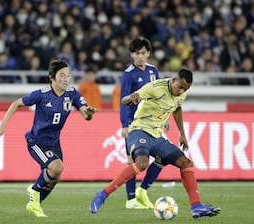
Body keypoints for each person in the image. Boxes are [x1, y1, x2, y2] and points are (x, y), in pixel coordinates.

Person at [90, 68, 221, 219]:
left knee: (186, 163)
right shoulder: (154, 88)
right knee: (142, 163)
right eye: (180, 87)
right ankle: (103, 194)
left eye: (186, 89)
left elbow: (177, 109)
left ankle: (196, 207)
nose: (181, 92)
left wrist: (182, 133)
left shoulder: (181, 94)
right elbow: (124, 101)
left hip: (157, 136)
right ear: (173, 80)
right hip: (139, 130)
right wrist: (132, 98)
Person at [0, 60, 97, 217]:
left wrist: (89, 113)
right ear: (52, 77)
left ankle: (34, 204)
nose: (65, 79)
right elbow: (16, 104)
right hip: (36, 141)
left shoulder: (72, 93)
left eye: (68, 75)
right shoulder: (41, 94)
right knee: (56, 168)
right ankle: (33, 190)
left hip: (54, 142)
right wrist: (3, 125)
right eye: (61, 75)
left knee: (55, 177)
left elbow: (85, 115)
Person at [119, 36, 163, 209]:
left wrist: (163, 118)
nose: (140, 57)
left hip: (152, 123)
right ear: (132, 55)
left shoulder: (153, 71)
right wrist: (125, 124)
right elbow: (123, 100)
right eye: (137, 53)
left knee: (160, 157)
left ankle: (142, 191)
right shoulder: (129, 74)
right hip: (135, 124)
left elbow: (159, 96)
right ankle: (130, 200)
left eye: (143, 53)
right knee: (132, 161)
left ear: (148, 54)